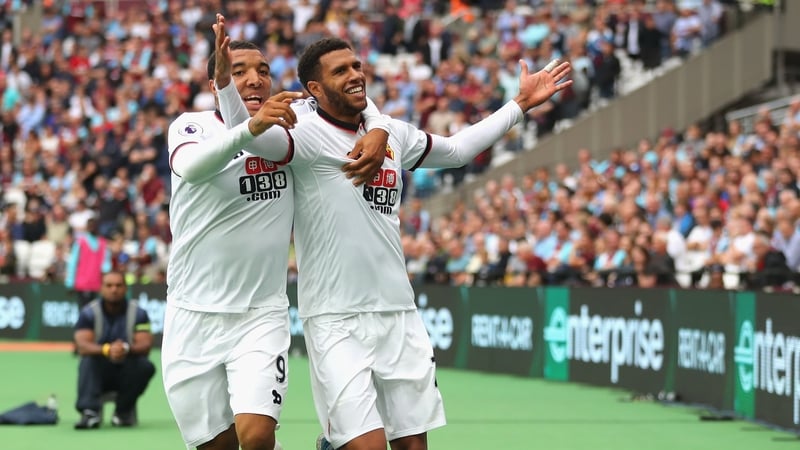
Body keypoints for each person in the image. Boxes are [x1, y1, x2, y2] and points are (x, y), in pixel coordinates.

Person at [215, 32, 571, 450]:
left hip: (399, 313)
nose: (354, 76)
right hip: (336, 319)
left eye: (356, 66)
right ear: (314, 88)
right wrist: (225, 84)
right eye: (340, 71)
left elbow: (456, 151)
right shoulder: (305, 135)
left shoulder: (393, 134)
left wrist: (518, 106)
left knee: (413, 446)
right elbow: (248, 134)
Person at [161, 19, 390, 450]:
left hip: (261, 315)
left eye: (263, 70)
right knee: (218, 445)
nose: (255, 78)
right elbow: (191, 168)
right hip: (192, 315)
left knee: (257, 432)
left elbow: (351, 100)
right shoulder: (191, 126)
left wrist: (378, 126)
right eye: (240, 69)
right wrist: (248, 129)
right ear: (218, 81)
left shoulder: (292, 125)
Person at [73, 270, 155, 429]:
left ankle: (123, 412)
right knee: (88, 360)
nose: (114, 289)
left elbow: (145, 345)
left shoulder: (139, 313)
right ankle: (90, 412)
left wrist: (125, 348)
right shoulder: (88, 313)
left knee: (145, 366)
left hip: (126, 370)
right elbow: (82, 346)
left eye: (118, 285)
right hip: (99, 373)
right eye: (109, 285)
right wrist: (106, 350)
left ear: (125, 288)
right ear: (101, 288)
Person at [65, 217, 112, 309]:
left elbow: (106, 265)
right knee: (84, 311)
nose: (92, 228)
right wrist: (70, 282)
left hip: (97, 284)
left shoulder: (103, 243)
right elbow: (73, 263)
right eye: (90, 226)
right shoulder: (80, 242)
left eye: (94, 226)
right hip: (82, 284)